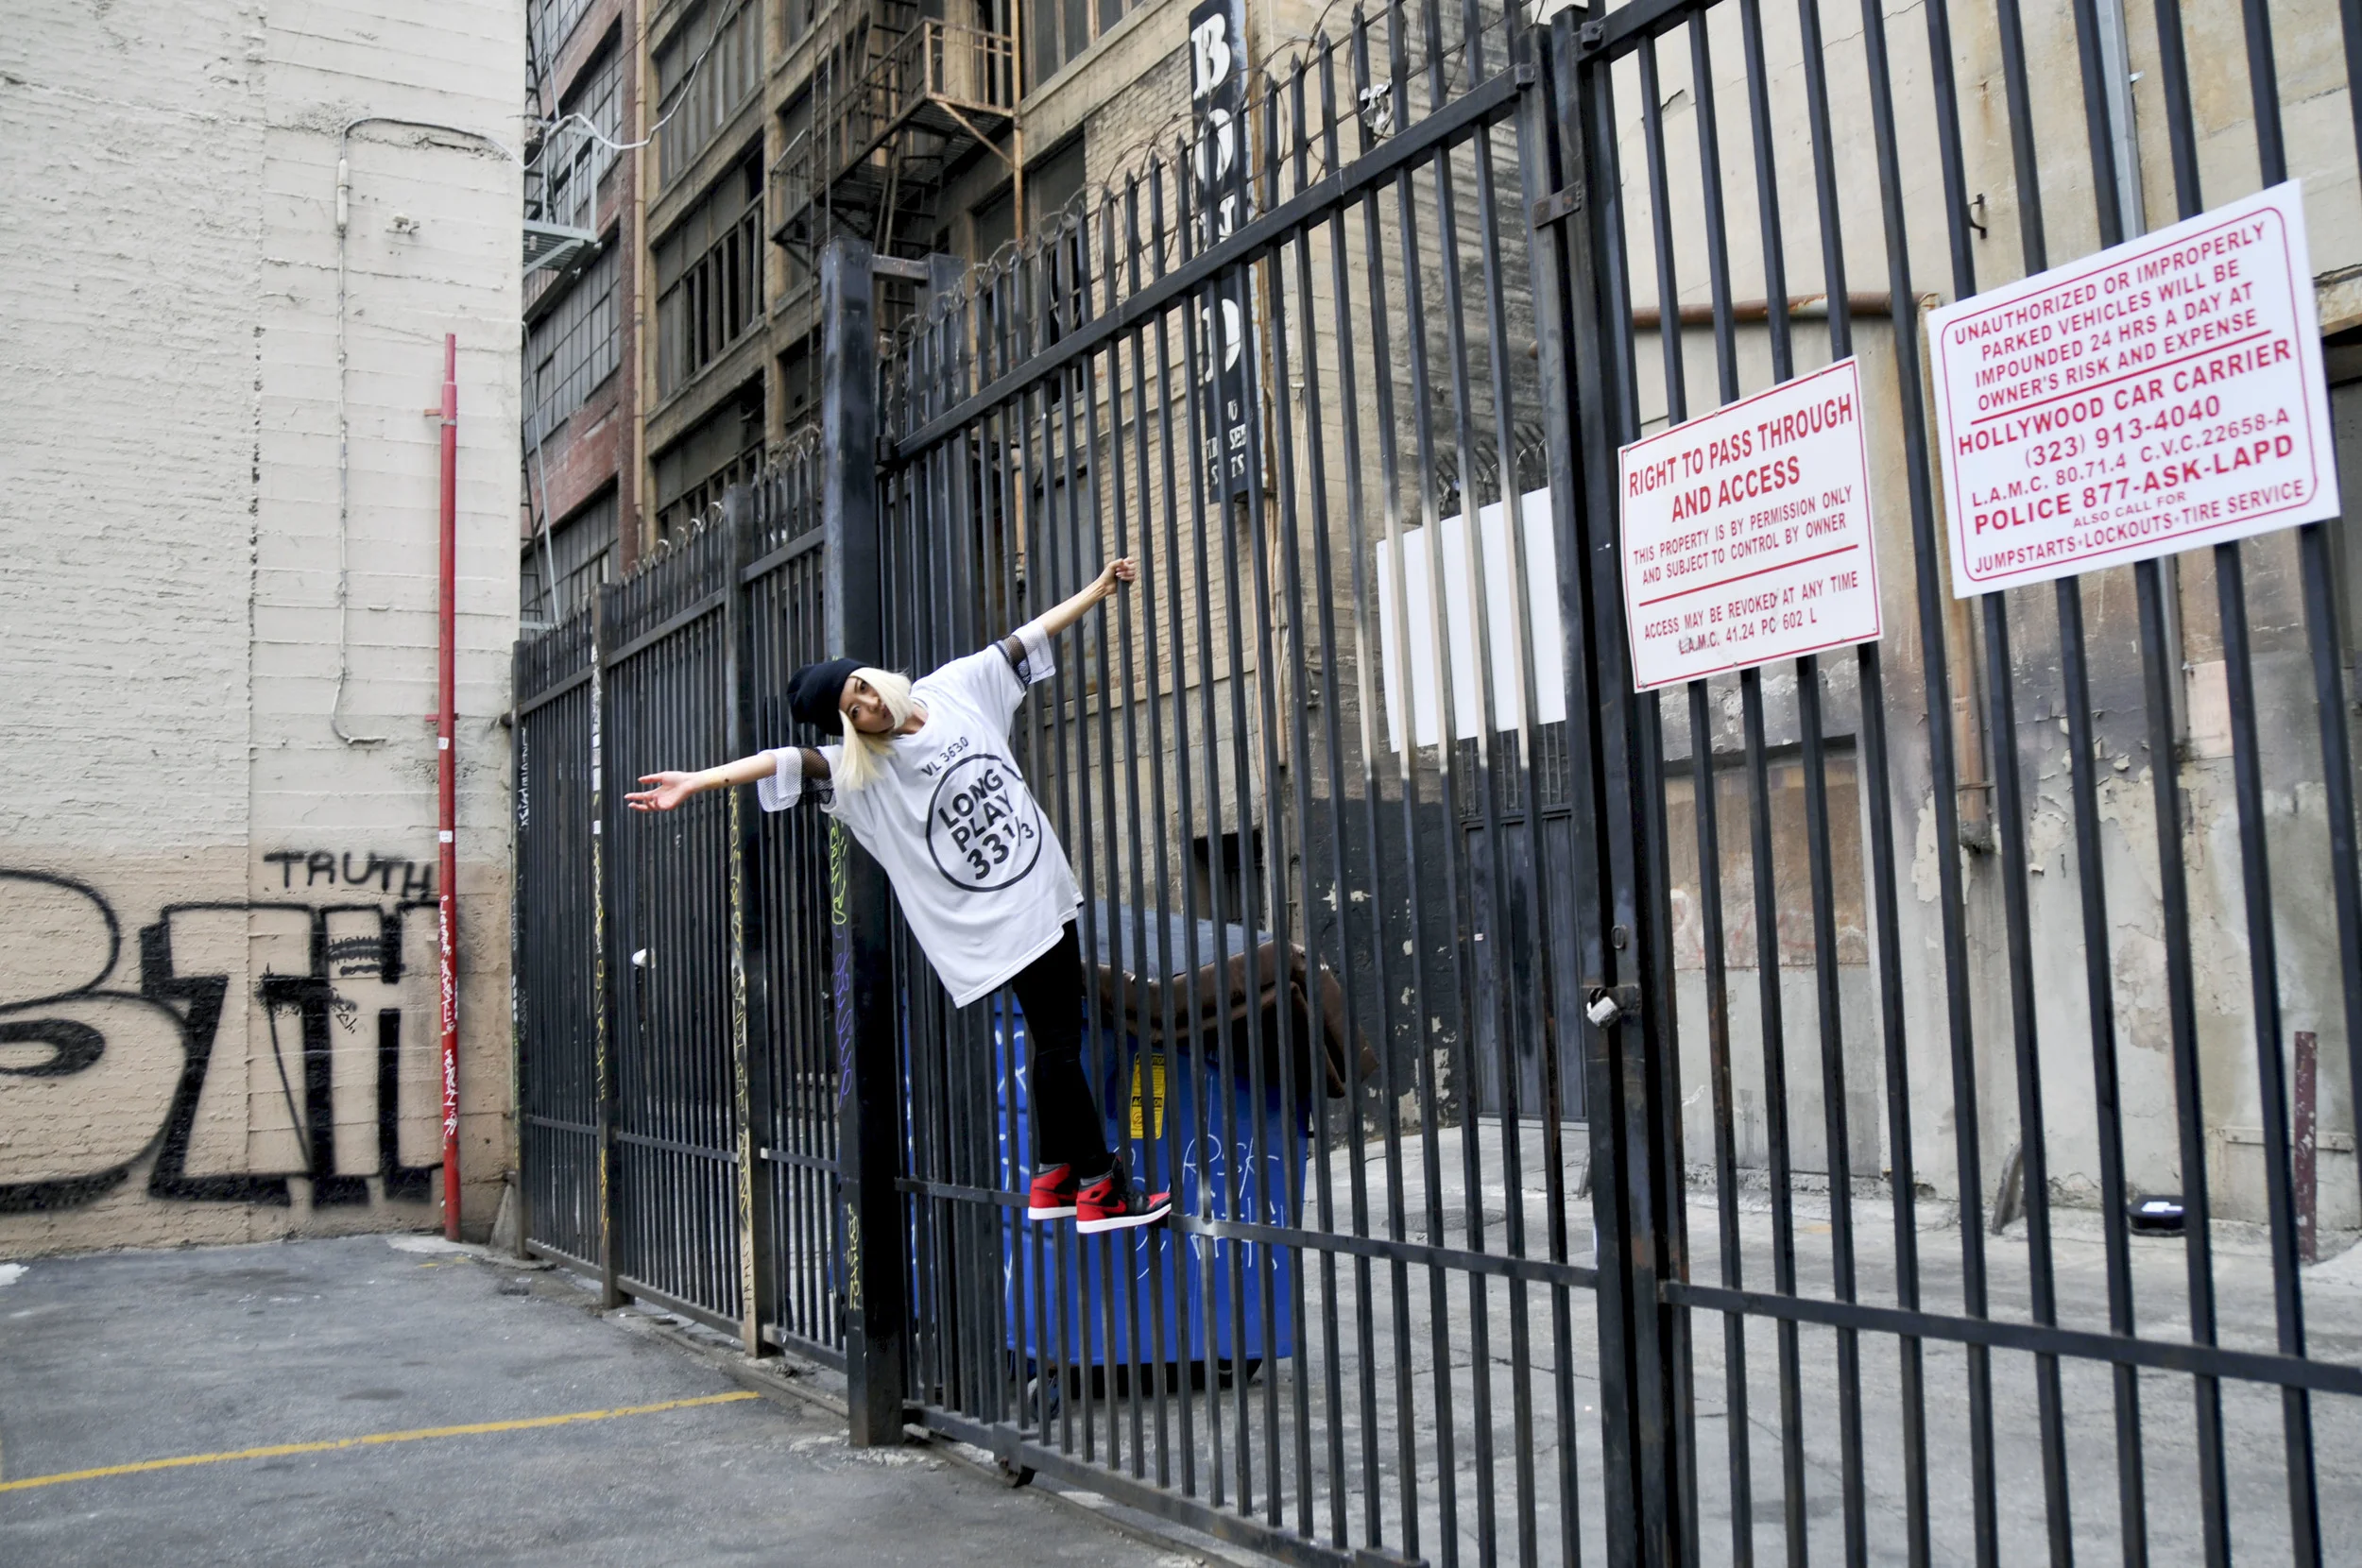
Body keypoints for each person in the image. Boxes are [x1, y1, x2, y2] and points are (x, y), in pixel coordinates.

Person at [625, 556, 1170, 1236]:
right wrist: (698, 781)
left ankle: (1053, 1176)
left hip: (1039, 890)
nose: (869, 707)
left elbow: (1025, 638)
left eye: (862, 689)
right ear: (848, 727)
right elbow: (782, 762)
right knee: (1061, 1041)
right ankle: (1098, 1186)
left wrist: (1099, 587)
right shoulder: (863, 775)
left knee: (1051, 1038)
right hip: (1003, 919)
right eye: (852, 712)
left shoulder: (954, 690)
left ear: (872, 675)